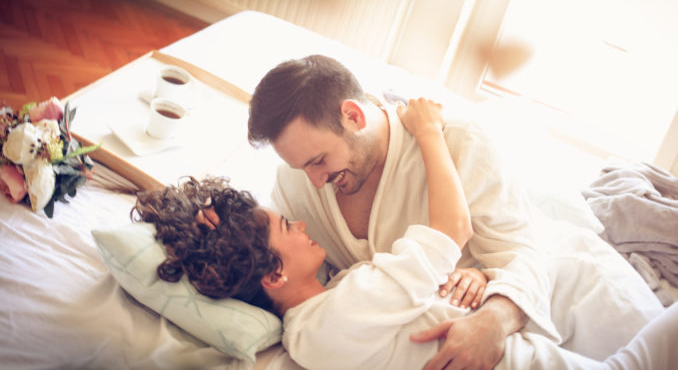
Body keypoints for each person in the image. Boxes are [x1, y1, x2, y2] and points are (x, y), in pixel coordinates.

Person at [132, 100, 678, 370]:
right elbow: (451, 227)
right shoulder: (344, 308)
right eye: (286, 225)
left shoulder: (315, 323)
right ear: (274, 274)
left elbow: (413, 297)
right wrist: (429, 131)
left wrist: (477, 277)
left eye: (319, 160)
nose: (305, 202)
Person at [247, 55, 665, 369]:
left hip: (564, 289)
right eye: (301, 167)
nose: (315, 181)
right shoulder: (298, 182)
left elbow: (521, 251)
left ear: (353, 116)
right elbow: (269, 256)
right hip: (457, 320)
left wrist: (496, 320)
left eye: (319, 160)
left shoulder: (459, 142)